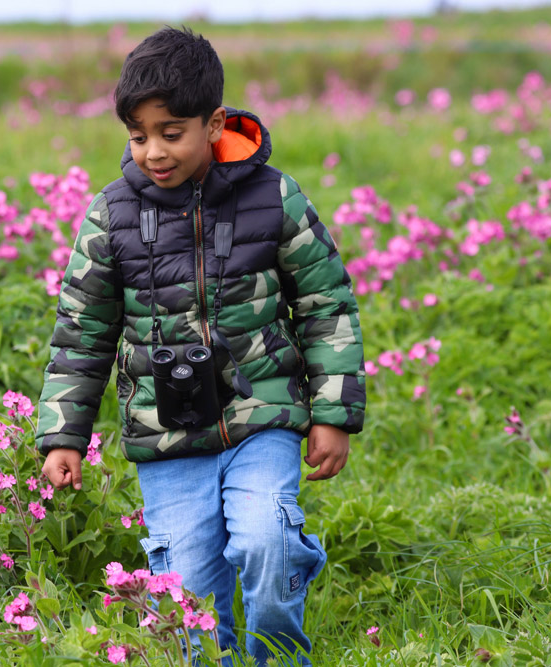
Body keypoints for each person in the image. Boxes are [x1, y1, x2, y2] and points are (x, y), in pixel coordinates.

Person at [36, 25, 365, 666]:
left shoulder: (275, 197)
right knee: (187, 598)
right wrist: (63, 434)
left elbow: (328, 307)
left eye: (171, 132)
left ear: (214, 122)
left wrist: (333, 413)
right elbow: (82, 332)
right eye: (137, 136)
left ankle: (278, 657)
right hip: (167, 430)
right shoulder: (111, 217)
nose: (152, 152)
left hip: (262, 415)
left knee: (267, 541)